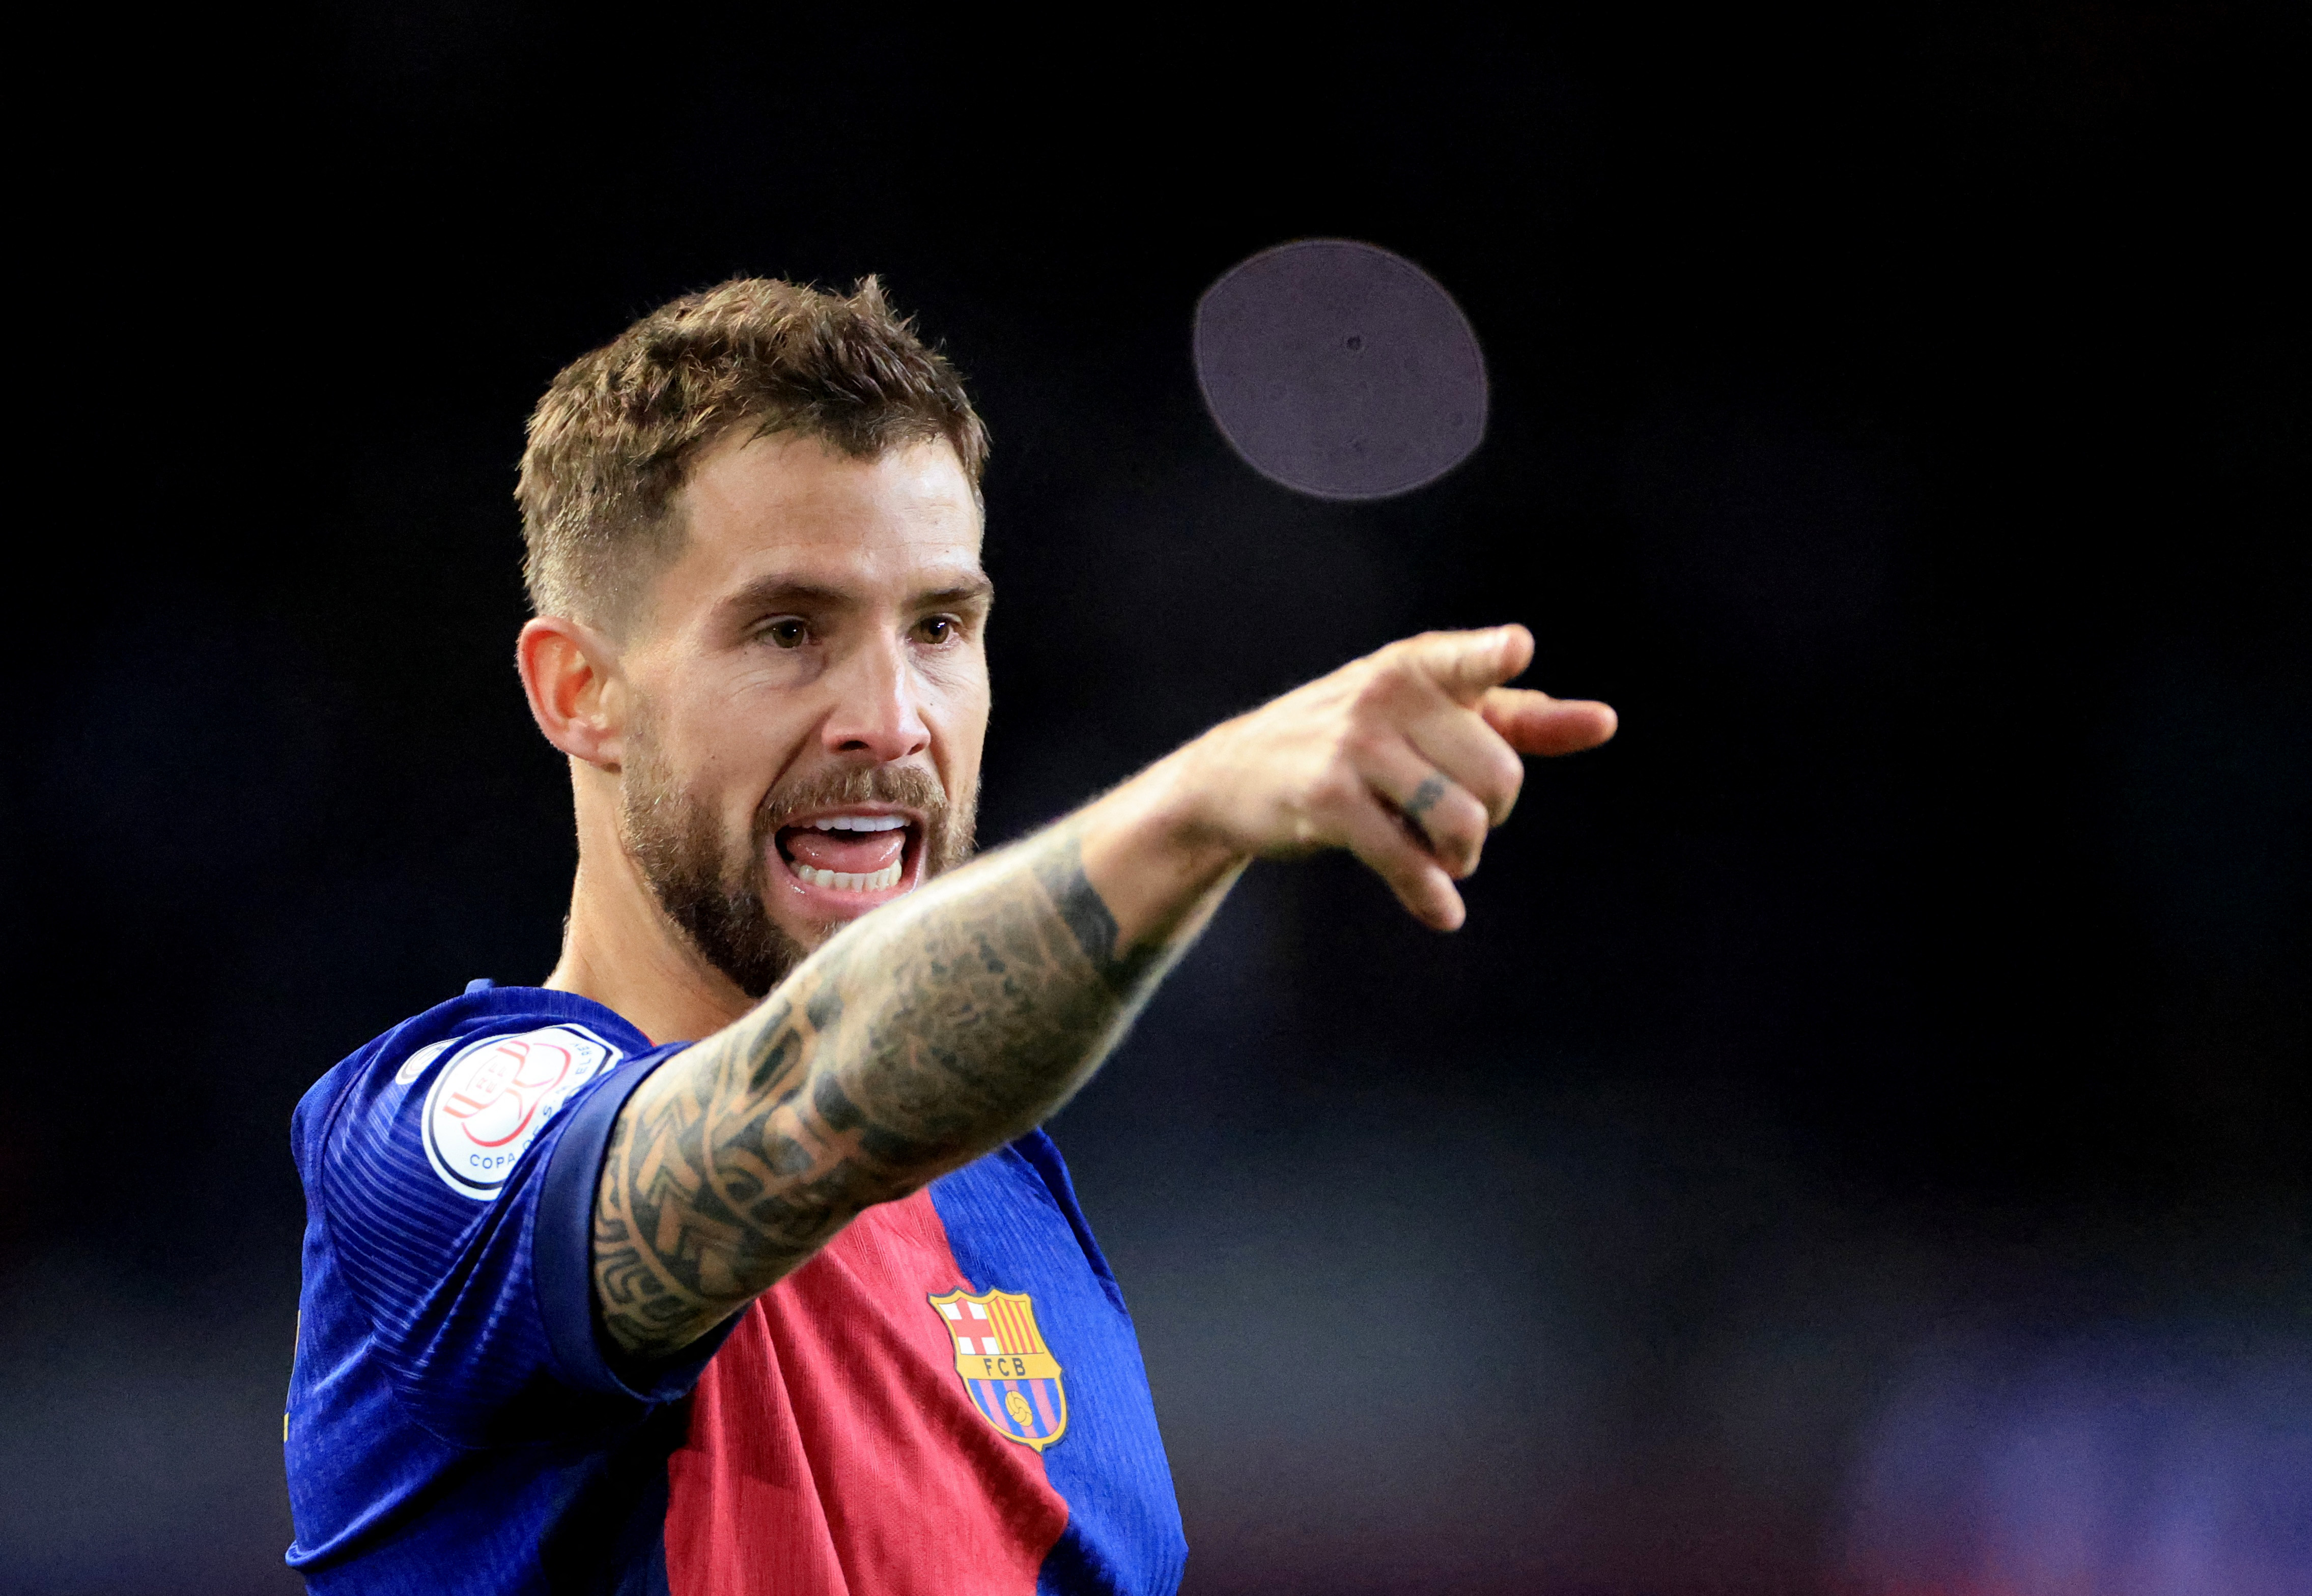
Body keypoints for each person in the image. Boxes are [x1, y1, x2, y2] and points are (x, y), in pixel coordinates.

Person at [281, 276, 1617, 1595]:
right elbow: (810, 1104)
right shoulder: (430, 1147)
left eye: (937, 628)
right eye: (789, 631)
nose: (892, 719)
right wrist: (1191, 812)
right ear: (583, 691)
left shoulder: (1005, 1199)